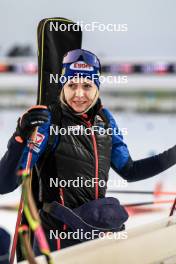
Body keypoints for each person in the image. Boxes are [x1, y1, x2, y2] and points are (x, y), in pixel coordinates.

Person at [0, 49, 176, 255]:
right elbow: (5, 184)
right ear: (63, 87)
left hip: (97, 236)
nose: (79, 94)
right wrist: (19, 137)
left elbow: (130, 170)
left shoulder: (105, 120)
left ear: (97, 87)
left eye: (87, 85)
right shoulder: (49, 121)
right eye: (72, 85)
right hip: (57, 241)